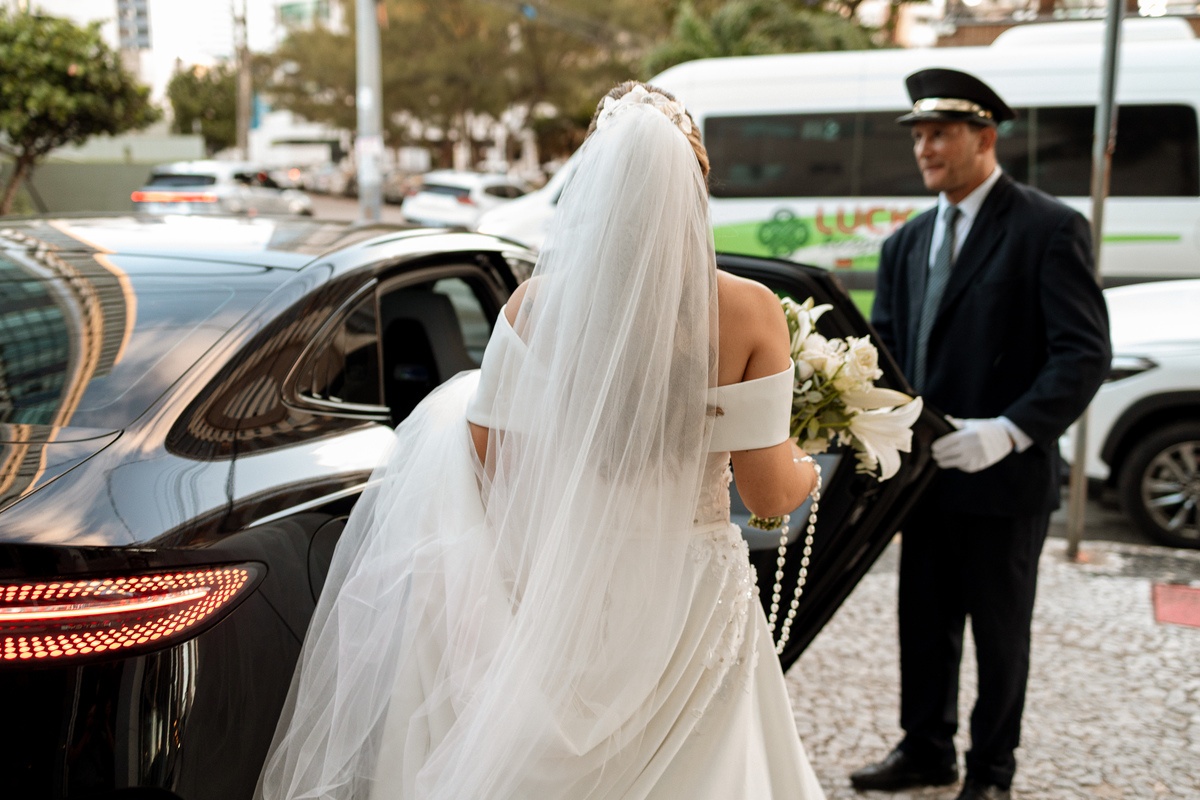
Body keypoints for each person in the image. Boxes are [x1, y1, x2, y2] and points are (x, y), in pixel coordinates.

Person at [257, 81, 827, 800]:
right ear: (696, 188)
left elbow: (493, 472)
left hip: (573, 591)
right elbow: (766, 493)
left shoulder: (534, 308)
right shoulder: (751, 310)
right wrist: (808, 465)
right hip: (691, 594)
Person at [853, 69, 1111, 800]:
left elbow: (1083, 352)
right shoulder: (905, 243)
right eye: (919, 136)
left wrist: (1009, 431)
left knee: (1000, 638)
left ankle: (993, 772)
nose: (925, 148)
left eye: (940, 134)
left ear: (985, 138)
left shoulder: (1048, 227)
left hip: (1004, 477)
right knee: (924, 625)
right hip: (927, 475)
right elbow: (889, 351)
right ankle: (926, 750)